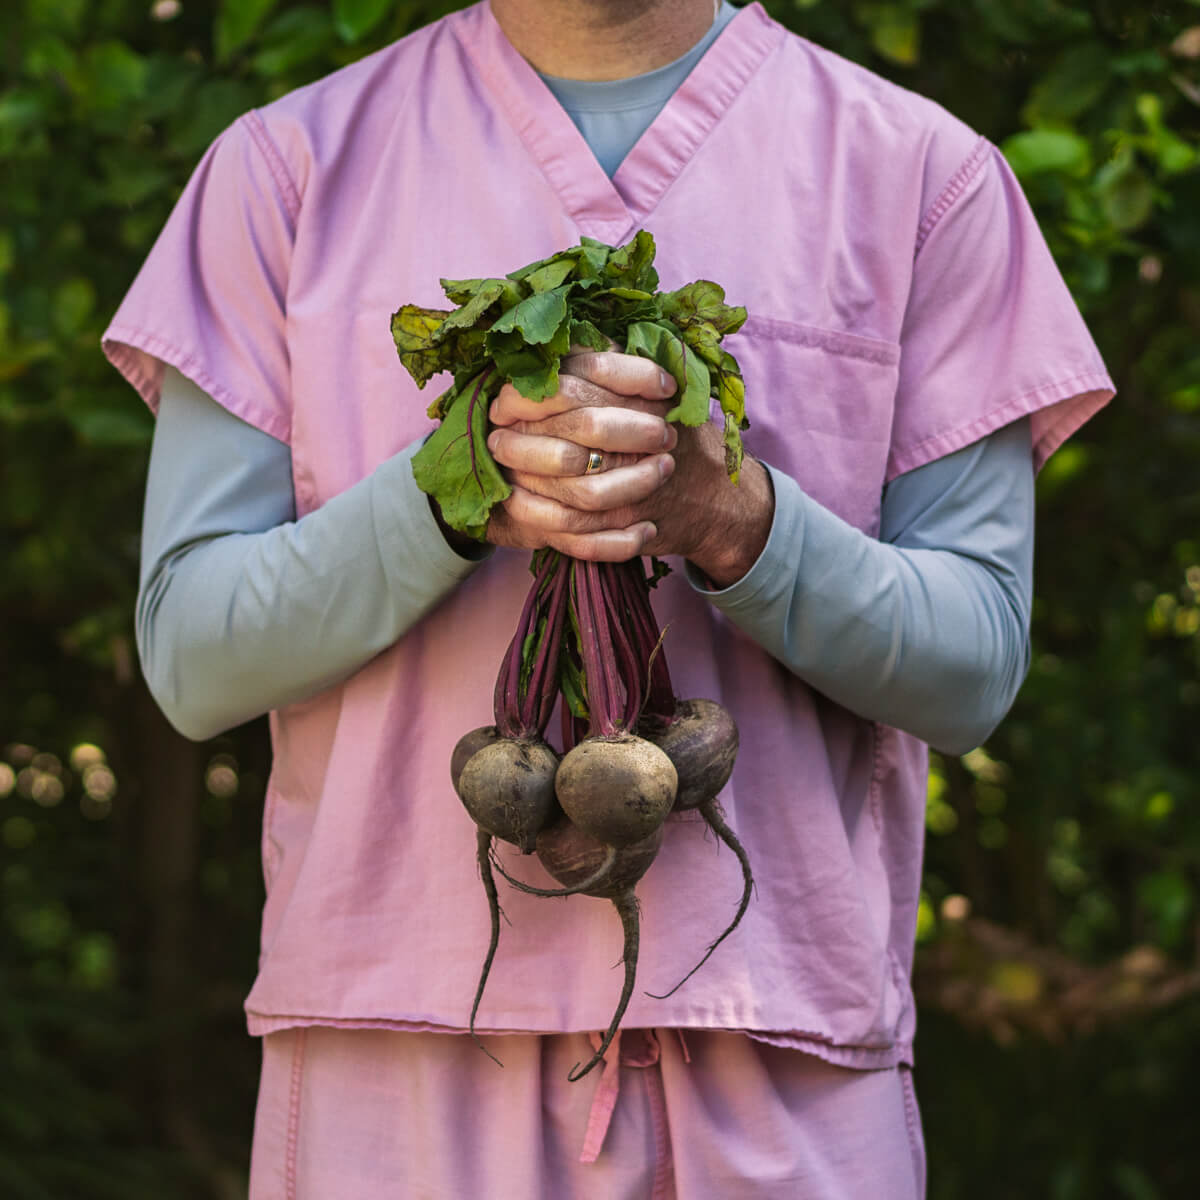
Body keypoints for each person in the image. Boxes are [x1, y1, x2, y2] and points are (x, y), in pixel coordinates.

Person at [103, 1, 1114, 1195]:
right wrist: (456, 489)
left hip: (782, 1052)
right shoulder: (284, 170)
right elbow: (193, 658)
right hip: (396, 1046)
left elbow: (973, 669)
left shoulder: (924, 178)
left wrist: (731, 514)